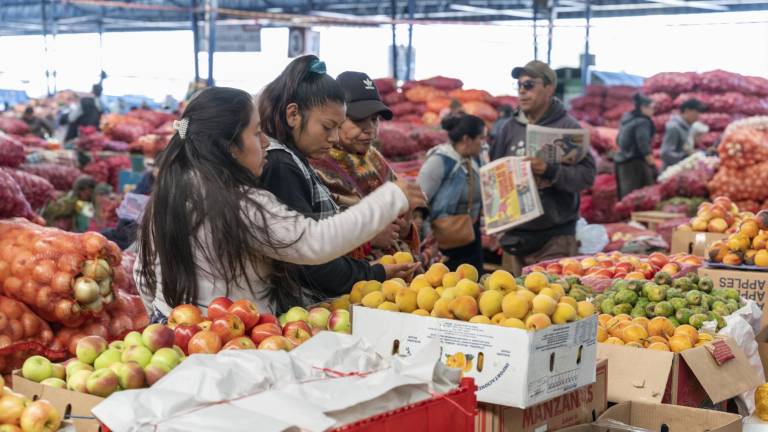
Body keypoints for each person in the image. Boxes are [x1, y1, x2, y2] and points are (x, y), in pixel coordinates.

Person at [136, 87, 424, 320]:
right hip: (227, 338)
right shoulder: (241, 204)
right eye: (256, 132)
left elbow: (143, 271)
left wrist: (163, 318)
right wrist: (392, 198)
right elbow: (315, 242)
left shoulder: (168, 192)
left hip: (174, 329)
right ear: (230, 147)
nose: (265, 143)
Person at [258, 55, 420, 302]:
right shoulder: (281, 166)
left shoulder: (294, 159)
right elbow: (310, 257)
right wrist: (373, 271)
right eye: (327, 127)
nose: (334, 138)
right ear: (293, 115)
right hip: (298, 308)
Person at [490, 60, 596, 275]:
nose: (522, 91)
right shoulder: (509, 128)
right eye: (518, 86)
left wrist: (549, 170)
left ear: (549, 88)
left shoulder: (568, 127)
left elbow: (586, 176)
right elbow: (493, 172)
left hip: (554, 238)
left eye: (529, 85)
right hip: (515, 238)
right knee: (512, 304)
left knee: (549, 302)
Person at [311, 71, 422, 261]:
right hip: (357, 285)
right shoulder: (317, 165)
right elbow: (315, 241)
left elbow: (401, 217)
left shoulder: (374, 158)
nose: (370, 128)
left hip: (398, 282)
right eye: (358, 120)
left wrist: (405, 228)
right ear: (336, 118)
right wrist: (368, 239)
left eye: (374, 119)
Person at [418, 114, 486, 271]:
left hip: (470, 235)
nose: (483, 144)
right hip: (445, 239)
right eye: (481, 138)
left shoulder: (473, 160)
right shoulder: (440, 161)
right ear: (467, 139)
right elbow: (420, 199)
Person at [614, 94, 656, 200]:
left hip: (622, 163)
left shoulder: (627, 119)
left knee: (626, 198)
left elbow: (618, 140)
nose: (653, 111)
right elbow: (643, 143)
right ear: (643, 107)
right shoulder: (643, 122)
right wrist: (651, 163)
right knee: (639, 199)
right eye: (651, 107)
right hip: (636, 165)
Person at [661, 98, 706, 171]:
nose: (698, 116)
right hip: (671, 172)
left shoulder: (688, 127)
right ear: (687, 111)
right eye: (696, 112)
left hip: (682, 170)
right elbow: (665, 153)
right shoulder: (674, 127)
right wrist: (687, 156)